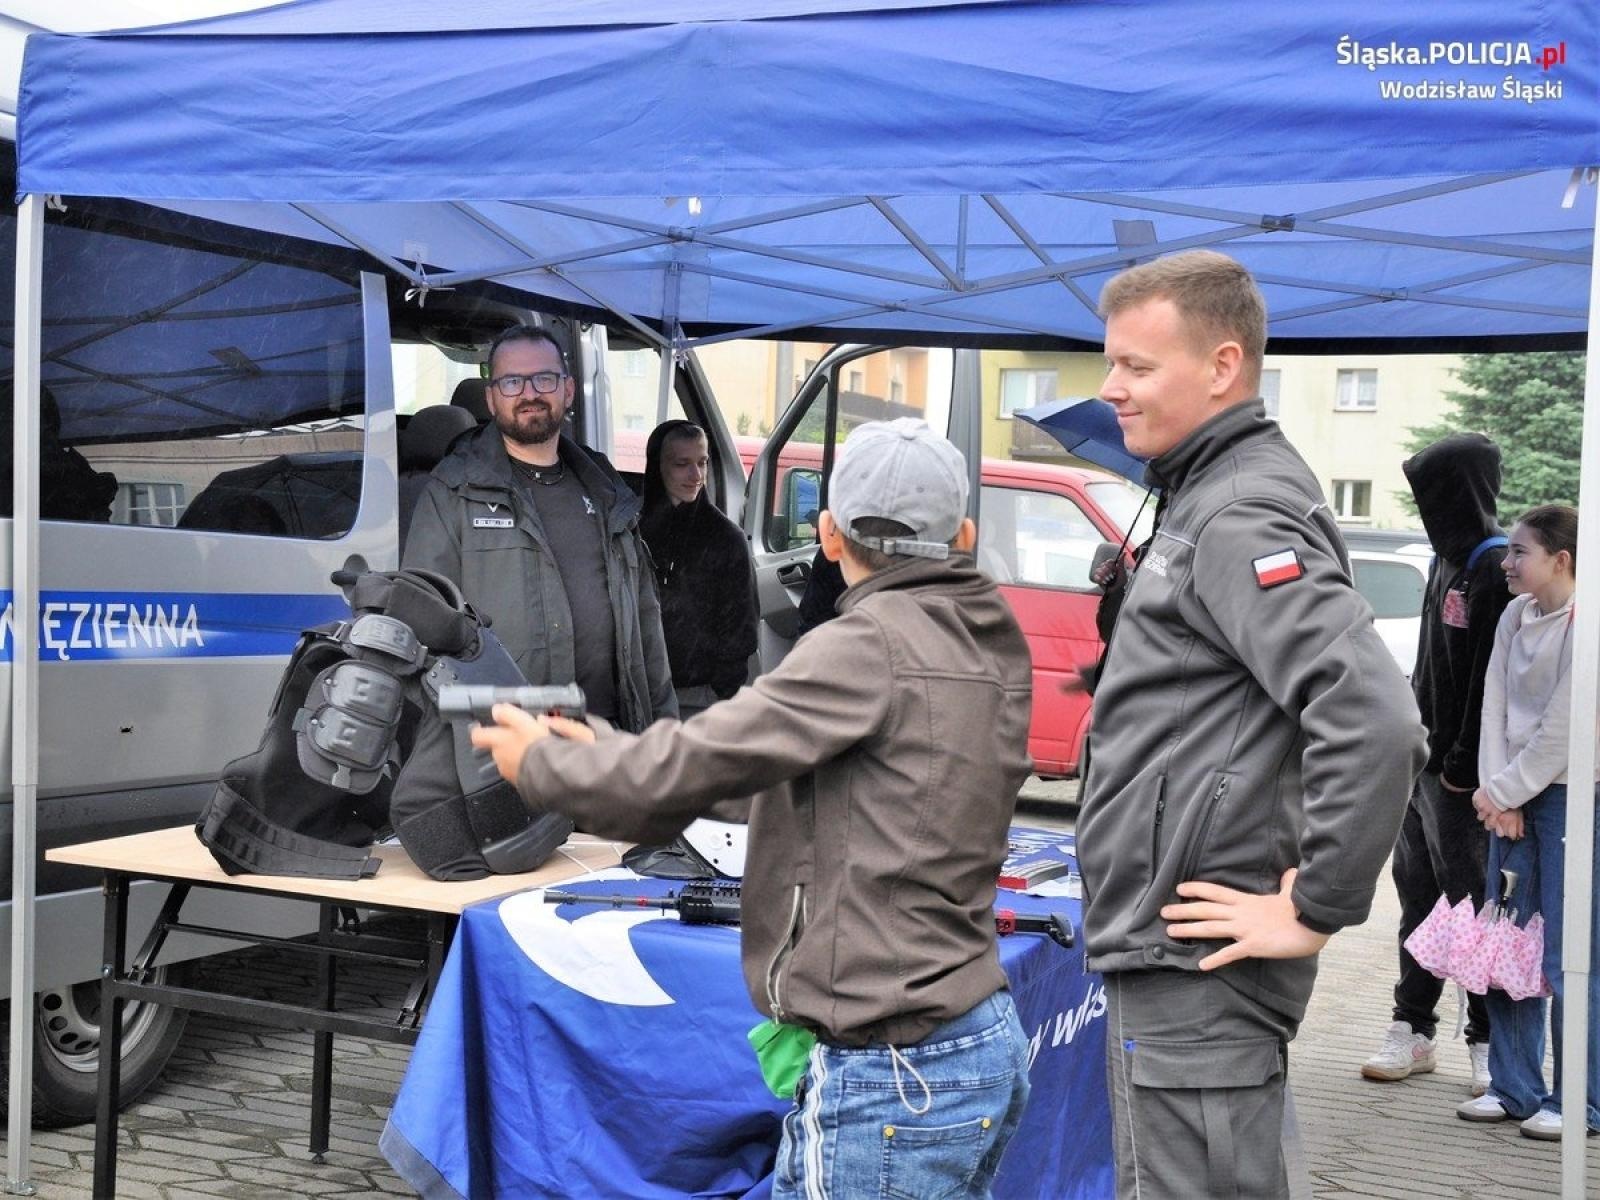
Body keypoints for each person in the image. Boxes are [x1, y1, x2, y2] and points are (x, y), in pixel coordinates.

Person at [472, 418, 1035, 1198]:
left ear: (829, 536)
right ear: (964, 536)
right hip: (972, 1037)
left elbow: (686, 773)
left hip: (895, 1069)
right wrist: (599, 741)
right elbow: (763, 768)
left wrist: (543, 764)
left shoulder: (866, 645)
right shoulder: (986, 637)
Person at [1077, 250, 1427, 1199]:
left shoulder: (1236, 508)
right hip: (1183, 955)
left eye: (1137, 368)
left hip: (1200, 960)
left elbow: (1375, 717)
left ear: (1223, 365)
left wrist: (1315, 908)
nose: (1112, 388)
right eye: (1112, 363)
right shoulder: (1212, 488)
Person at [403, 324, 676, 731]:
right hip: (511, 751)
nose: (529, 393)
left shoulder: (606, 491)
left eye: (543, 378)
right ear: (492, 399)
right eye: (512, 382)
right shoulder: (453, 491)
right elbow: (425, 633)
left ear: (567, 390)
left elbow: (646, 626)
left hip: (610, 743)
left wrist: (664, 731)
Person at [1361, 434, 1511, 1094]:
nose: (1428, 512)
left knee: (1471, 905)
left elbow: (1488, 682)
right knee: (1419, 898)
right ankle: (1412, 1028)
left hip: (1460, 775)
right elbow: (1430, 665)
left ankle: (1487, 1039)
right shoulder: (1442, 560)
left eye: (1436, 496)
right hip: (1420, 765)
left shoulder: (1494, 569)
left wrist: (1463, 763)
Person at [1455, 504, 1599, 1140]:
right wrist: (1497, 794)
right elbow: (1493, 704)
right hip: (1509, 798)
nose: (1506, 562)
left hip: (1566, 796)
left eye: (1520, 552)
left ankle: (1582, 1102)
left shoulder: (1587, 621)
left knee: (1571, 955)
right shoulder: (1516, 614)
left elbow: (1566, 727)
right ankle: (1515, 1087)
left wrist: (1510, 789)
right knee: (1508, 946)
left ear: (1560, 560)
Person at [640, 420, 759, 716]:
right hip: (638, 692)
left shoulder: (726, 538)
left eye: (702, 463)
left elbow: (742, 629)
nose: (696, 476)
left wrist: (720, 692)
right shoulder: (630, 530)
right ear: (658, 466)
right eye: (682, 464)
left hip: (699, 698)